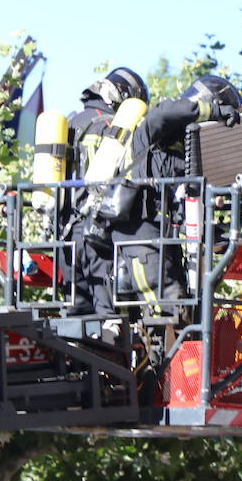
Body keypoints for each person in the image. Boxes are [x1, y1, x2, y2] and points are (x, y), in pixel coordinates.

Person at [80, 75, 242, 314]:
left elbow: (184, 204)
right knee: (169, 310)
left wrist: (218, 237)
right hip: (140, 238)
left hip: (164, 240)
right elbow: (165, 112)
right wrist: (212, 110)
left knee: (185, 311)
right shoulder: (151, 133)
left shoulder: (181, 156)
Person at [64, 67, 148, 314]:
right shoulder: (113, 126)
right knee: (109, 316)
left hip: (65, 234)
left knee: (76, 314)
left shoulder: (70, 122)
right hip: (98, 231)